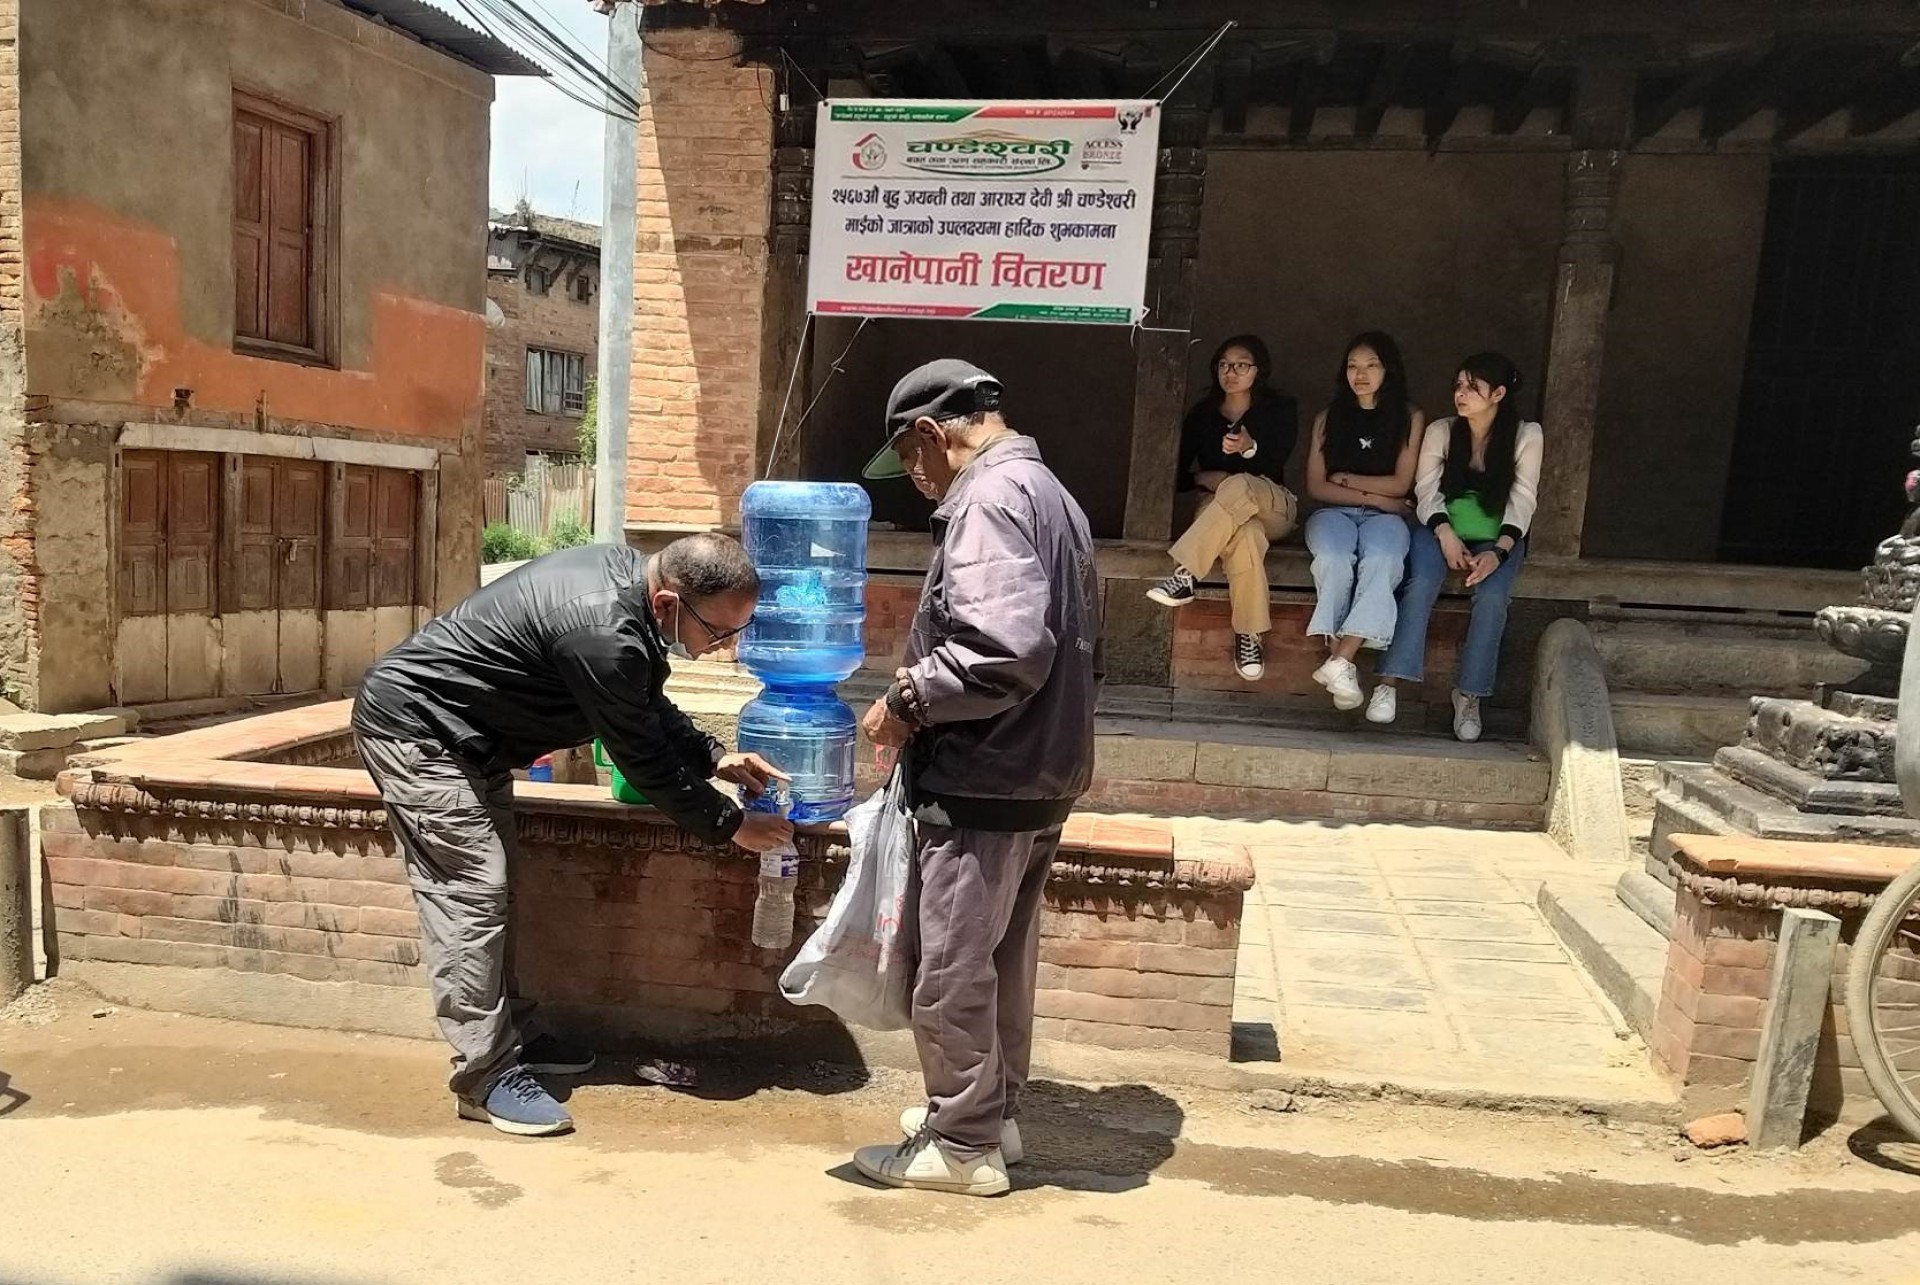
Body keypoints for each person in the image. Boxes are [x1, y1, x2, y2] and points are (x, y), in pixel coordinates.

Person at [351, 535, 795, 1137]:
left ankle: (512, 1034)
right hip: (421, 734)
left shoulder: (629, 592)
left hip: (471, 740)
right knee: (473, 896)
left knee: (497, 893)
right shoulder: (602, 631)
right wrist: (732, 825)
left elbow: (643, 704)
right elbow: (643, 759)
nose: (726, 647)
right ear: (668, 603)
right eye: (718, 632)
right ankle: (485, 1075)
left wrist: (714, 755)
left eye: (736, 632)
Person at [854, 358, 1102, 1197]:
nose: (916, 482)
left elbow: (1002, 649)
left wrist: (902, 702)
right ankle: (993, 1116)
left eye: (910, 461)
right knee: (1000, 960)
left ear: (932, 433)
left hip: (985, 774)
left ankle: (962, 1145)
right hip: (1042, 768)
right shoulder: (1052, 494)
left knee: (953, 967)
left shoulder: (988, 499)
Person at [1374, 352, 1544, 741]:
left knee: (1493, 598)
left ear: (1498, 394)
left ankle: (1469, 695)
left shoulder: (1526, 436)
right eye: (1459, 385)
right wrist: (1445, 534)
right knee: (1420, 584)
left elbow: (1523, 498)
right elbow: (1426, 489)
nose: (1461, 394)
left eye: (1472, 387)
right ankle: (1389, 681)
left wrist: (1498, 552)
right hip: (1439, 529)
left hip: (1498, 536)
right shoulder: (1442, 430)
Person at [1147, 335, 1299, 681]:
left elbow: (1279, 458)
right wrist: (1204, 477)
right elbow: (1172, 474)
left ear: (1258, 371)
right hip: (1221, 512)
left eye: (1241, 365)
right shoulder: (1202, 416)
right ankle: (1249, 634)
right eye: (1224, 365)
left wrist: (1249, 448)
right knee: (1246, 536)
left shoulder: (1279, 409)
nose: (1231, 372)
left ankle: (1186, 573)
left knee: (1241, 484)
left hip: (1272, 503)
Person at [1302, 333, 1423, 719]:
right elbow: (1317, 486)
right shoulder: (1327, 418)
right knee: (1334, 558)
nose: (1361, 374)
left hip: (1384, 520)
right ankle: (1340, 666)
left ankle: (1341, 660)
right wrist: (1379, 498)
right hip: (1333, 514)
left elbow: (1401, 484)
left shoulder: (1409, 417)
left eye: (1371, 365)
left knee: (1385, 558)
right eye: (1353, 366)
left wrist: (1348, 481)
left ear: (1389, 370)